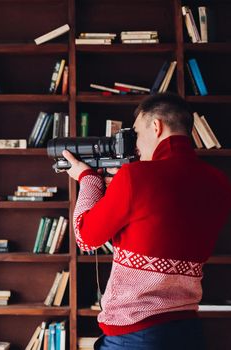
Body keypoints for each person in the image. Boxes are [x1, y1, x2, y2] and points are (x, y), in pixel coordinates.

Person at [62, 93, 231, 350]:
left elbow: (85, 237)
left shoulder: (135, 177)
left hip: (136, 333)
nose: (136, 147)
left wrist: (88, 179)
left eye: (137, 135)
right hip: (188, 329)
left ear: (156, 126)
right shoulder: (219, 182)